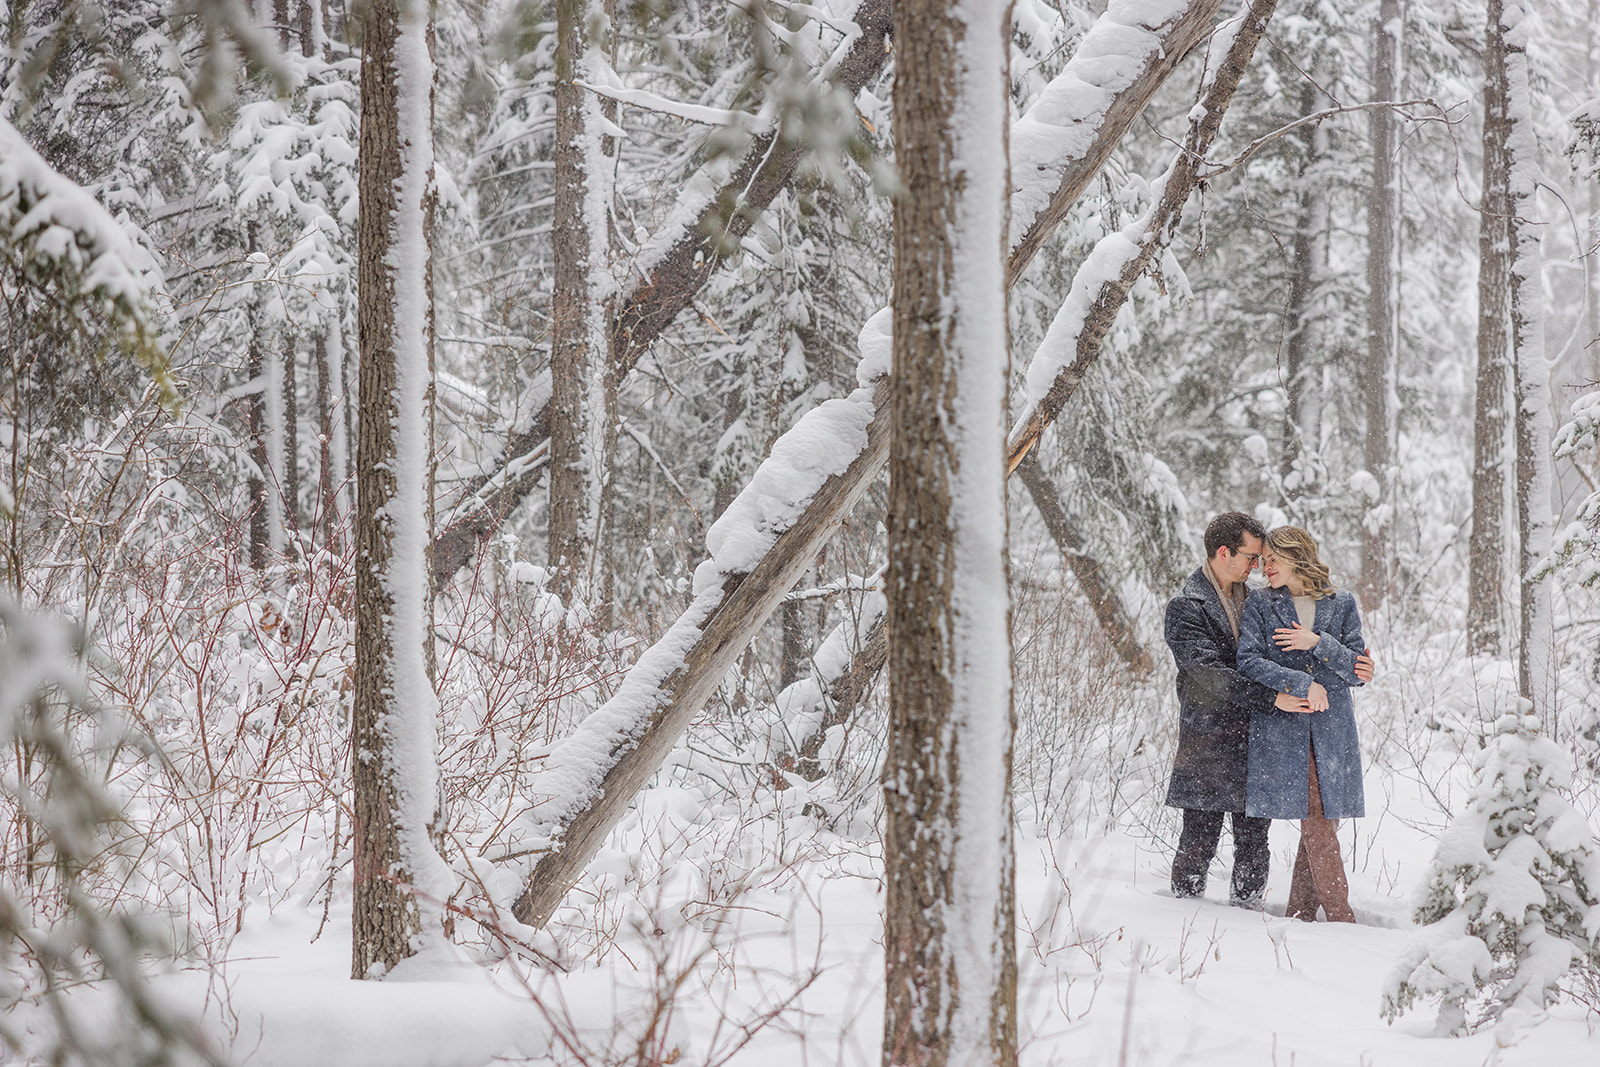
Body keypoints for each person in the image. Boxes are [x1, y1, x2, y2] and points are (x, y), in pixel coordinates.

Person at [1163, 512, 1304, 908]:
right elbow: (1208, 674)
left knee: (1255, 841)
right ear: (1224, 552)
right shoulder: (1186, 607)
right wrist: (1270, 697)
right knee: (1198, 840)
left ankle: (1249, 921)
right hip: (1208, 741)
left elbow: (1302, 636)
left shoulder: (1261, 600)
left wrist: (1350, 661)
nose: (1257, 566)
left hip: (1259, 739)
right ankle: (1179, 921)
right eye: (1251, 557)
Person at [1235, 526, 1367, 922]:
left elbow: (1358, 669)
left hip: (1333, 732)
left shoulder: (1341, 603)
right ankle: (1343, 917)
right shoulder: (1260, 604)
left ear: (1297, 557)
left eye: (1274, 559)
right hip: (1284, 730)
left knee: (1322, 823)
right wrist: (1302, 682)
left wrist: (1317, 643)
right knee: (1319, 823)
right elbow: (1249, 661)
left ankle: (1300, 913)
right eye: (1263, 561)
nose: (1265, 568)